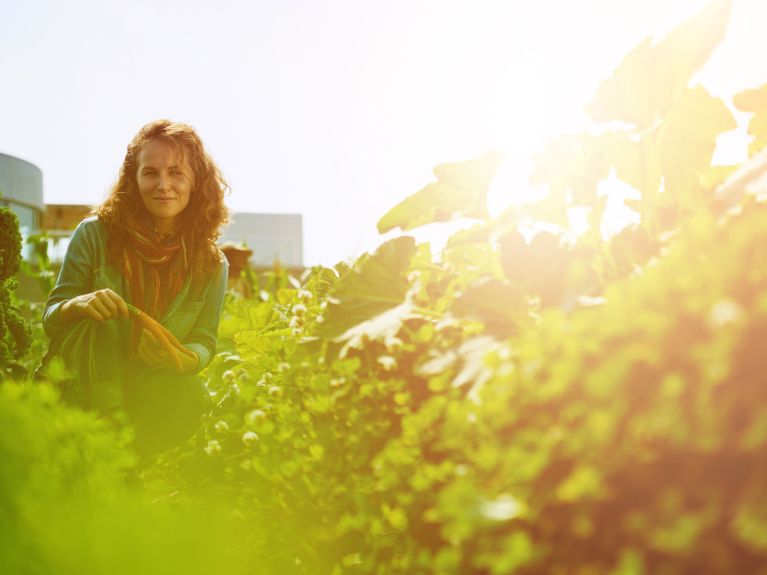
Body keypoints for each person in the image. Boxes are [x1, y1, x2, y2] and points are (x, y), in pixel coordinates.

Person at [42, 119, 229, 457]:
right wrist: (80, 304)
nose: (163, 184)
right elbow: (51, 319)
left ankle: (127, 462)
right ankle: (110, 428)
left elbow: (205, 340)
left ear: (196, 182)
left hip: (149, 379)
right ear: (134, 179)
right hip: (84, 377)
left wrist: (185, 359)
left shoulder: (211, 264)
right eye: (150, 172)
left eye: (176, 173)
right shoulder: (94, 235)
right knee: (105, 316)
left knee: (191, 396)